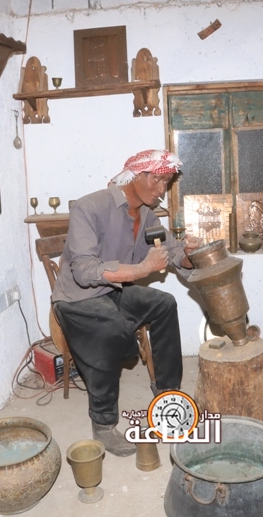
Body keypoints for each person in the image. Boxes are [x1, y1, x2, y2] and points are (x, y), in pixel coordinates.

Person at [51, 149, 201, 457]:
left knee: (165, 304)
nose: (162, 190)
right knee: (113, 332)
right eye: (157, 180)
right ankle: (103, 425)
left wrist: (188, 255)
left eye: (166, 182)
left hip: (112, 291)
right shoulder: (89, 207)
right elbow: (84, 271)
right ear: (136, 176)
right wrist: (141, 269)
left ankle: (167, 393)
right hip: (77, 299)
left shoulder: (147, 215)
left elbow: (174, 253)